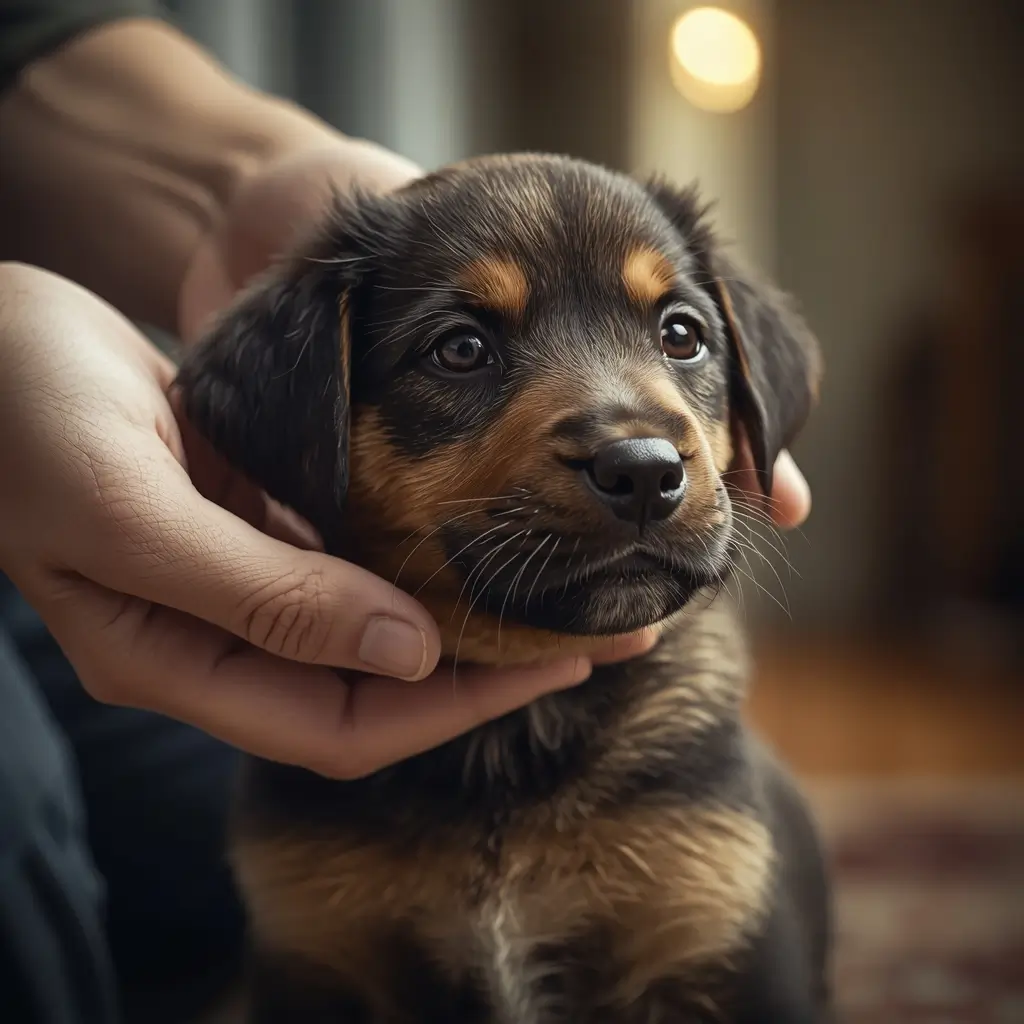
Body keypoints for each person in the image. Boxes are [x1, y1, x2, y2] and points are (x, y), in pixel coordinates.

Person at [0, 3, 814, 1022]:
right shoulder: (302, 813)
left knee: (172, 862)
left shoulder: (688, 763)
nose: (640, 446)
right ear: (305, 427)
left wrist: (241, 182)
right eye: (462, 348)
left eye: (678, 332)